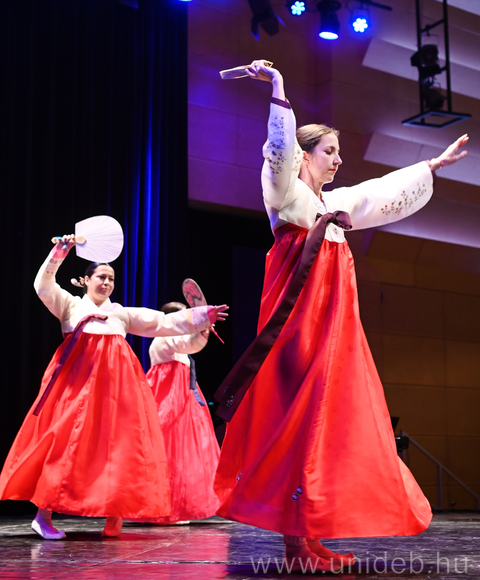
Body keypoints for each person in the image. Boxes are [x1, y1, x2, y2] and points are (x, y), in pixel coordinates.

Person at [214, 60, 468, 572]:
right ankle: (294, 546)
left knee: (323, 428)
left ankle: (311, 536)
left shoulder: (337, 204)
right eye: (329, 151)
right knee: (295, 426)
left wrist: (431, 166)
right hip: (296, 332)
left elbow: (380, 191)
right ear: (305, 154)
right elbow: (277, 149)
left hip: (332, 333)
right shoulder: (285, 195)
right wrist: (279, 89)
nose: (338, 159)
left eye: (338, 151)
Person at [0, 235, 228, 540]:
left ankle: (114, 516)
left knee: (120, 449)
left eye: (111, 279)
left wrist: (202, 316)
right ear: (86, 280)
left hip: (112, 395)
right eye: (101, 277)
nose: (107, 282)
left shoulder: (120, 313)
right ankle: (43, 517)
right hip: (75, 391)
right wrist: (60, 252)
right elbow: (43, 286)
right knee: (61, 448)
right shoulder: (69, 306)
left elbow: (161, 322)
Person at [143, 301, 220, 524]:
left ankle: (177, 505)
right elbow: (189, 345)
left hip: (180, 390)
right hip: (169, 390)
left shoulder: (170, 337)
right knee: (171, 442)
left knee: (185, 445)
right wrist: (202, 330)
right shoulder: (166, 336)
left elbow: (188, 344)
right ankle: (166, 508)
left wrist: (202, 329)